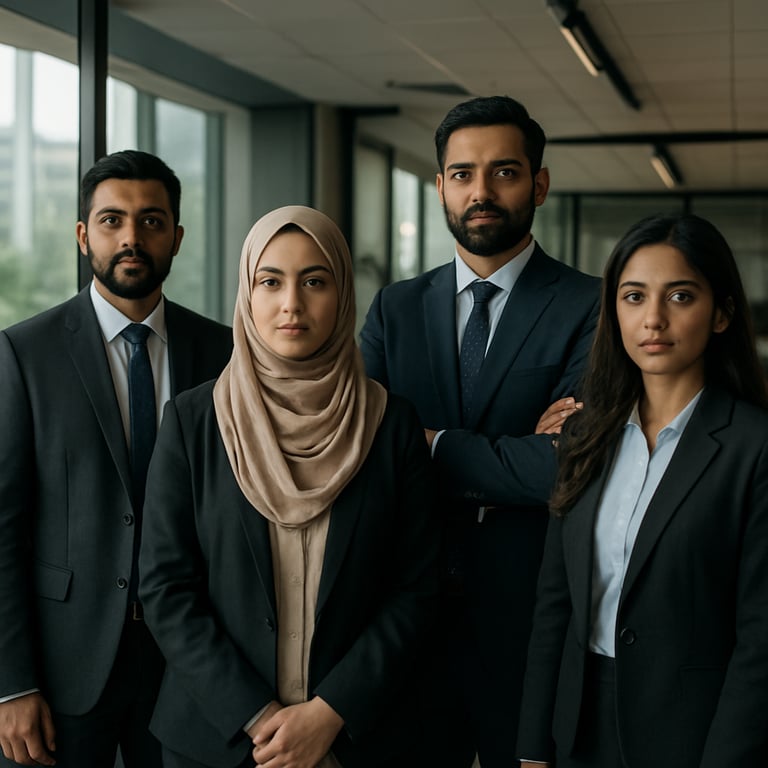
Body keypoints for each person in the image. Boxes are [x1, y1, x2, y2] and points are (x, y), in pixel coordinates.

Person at [138, 205, 439, 768]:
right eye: (270, 281)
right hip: (218, 742)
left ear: (344, 293)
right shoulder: (195, 420)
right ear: (246, 294)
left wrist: (329, 712)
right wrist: (261, 719)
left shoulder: (390, 422)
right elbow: (165, 588)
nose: (291, 304)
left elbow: (416, 589)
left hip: (356, 740)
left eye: (315, 281)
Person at [359, 95, 601, 767]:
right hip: (401, 612)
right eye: (462, 174)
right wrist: (514, 453)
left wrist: (427, 441)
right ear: (439, 186)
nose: (481, 192)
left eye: (504, 172)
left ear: (539, 184)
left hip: (527, 616)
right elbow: (364, 447)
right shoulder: (394, 309)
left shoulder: (593, 307)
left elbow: (565, 468)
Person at [0, 150, 233, 768]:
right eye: (111, 221)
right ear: (83, 235)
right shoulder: (24, 354)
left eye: (152, 221)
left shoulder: (225, 353)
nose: (132, 237)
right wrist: (11, 684)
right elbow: (2, 529)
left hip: (192, 663)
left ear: (177, 237)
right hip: (63, 664)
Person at [517, 214, 768, 767]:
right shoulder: (585, 435)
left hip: (695, 736)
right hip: (579, 729)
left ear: (721, 313)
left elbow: (760, 644)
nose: (653, 318)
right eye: (633, 297)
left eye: (680, 296)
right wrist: (533, 746)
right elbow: (555, 605)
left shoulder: (754, 447)